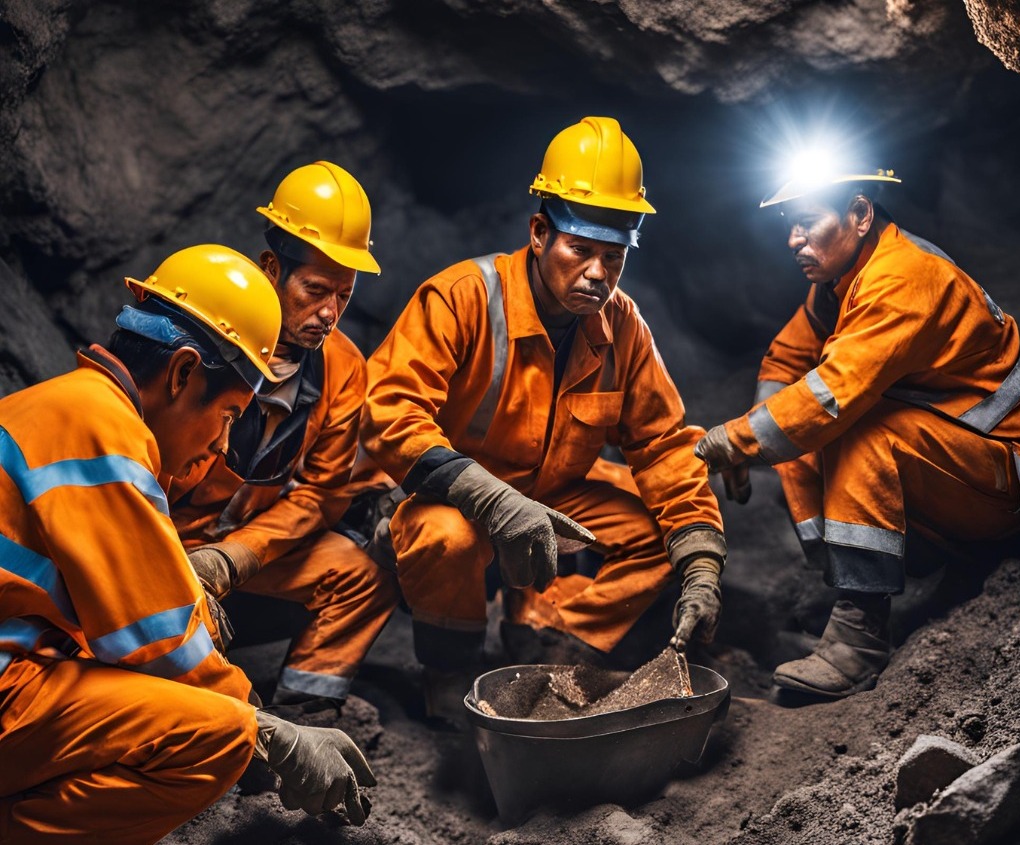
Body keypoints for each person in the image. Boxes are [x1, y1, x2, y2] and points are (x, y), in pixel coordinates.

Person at [0, 245, 376, 843]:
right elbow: (156, 641)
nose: (226, 445)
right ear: (181, 372)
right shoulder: (103, 435)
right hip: (6, 688)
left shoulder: (63, 405)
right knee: (220, 733)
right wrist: (268, 732)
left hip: (18, 658)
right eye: (229, 414)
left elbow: (113, 598)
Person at [359, 116, 727, 716]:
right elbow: (389, 411)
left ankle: (543, 645)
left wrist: (702, 561)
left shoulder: (623, 326)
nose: (597, 273)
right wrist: (493, 500)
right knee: (444, 537)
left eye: (614, 256)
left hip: (553, 496)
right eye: (580, 250)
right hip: (453, 499)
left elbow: (662, 446)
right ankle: (450, 673)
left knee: (661, 535)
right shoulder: (462, 297)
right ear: (538, 233)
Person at [695, 164, 1020, 700]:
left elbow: (830, 396)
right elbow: (787, 359)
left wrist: (734, 441)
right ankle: (850, 585)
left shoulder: (900, 280)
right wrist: (754, 442)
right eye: (789, 224)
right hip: (970, 463)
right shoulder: (841, 282)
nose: (792, 239)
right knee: (793, 437)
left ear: (859, 215)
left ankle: (858, 638)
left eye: (807, 222)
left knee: (853, 431)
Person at [169, 161, 400, 713]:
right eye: (316, 290)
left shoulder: (343, 364)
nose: (328, 314)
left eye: (342, 297)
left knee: (360, 577)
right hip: (163, 537)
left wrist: (235, 557)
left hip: (245, 542)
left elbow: (320, 493)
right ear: (272, 268)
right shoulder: (204, 327)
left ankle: (301, 718)